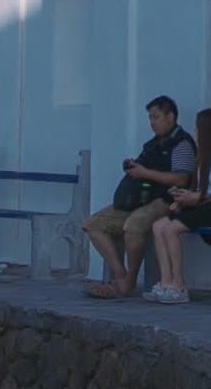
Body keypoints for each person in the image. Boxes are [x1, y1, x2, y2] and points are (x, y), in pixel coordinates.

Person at [82, 95, 195, 299]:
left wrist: (146, 173)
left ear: (170, 117)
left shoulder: (182, 144)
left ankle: (129, 281)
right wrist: (134, 167)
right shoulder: (151, 145)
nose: (152, 123)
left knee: (134, 226)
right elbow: (142, 168)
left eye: (156, 117)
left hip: (167, 201)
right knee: (93, 224)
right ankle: (120, 275)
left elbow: (181, 179)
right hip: (140, 200)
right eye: (150, 118)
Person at [147, 109, 211, 305]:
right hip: (203, 205)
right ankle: (166, 282)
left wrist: (193, 198)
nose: (195, 132)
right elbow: (199, 189)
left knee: (171, 229)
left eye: (197, 128)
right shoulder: (204, 154)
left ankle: (179, 286)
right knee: (158, 226)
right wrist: (182, 198)